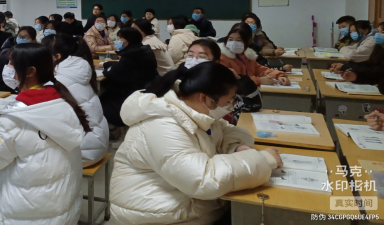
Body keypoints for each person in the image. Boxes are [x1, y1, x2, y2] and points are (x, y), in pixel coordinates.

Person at [109, 62, 281, 224]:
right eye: (228, 102)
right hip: (155, 213)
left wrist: (237, 146)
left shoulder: (195, 111)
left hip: (183, 201)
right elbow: (203, 180)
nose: (230, 107)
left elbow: (227, 130)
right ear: (205, 98)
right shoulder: (162, 125)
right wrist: (264, 160)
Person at [0, 44, 89, 225]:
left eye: (12, 64)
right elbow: (34, 133)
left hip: (28, 209)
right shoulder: (60, 99)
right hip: (62, 202)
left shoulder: (15, 115)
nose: (7, 69)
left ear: (30, 72)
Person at [42, 34, 110, 166]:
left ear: (57, 56)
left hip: (82, 152)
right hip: (96, 144)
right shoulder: (78, 70)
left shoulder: (58, 81)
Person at [181, 39, 263, 123]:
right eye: (190, 55)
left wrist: (240, 80)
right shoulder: (178, 82)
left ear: (216, 62)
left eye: (202, 56)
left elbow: (252, 106)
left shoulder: (223, 83)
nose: (194, 59)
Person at [97, 27, 158, 127]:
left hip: (132, 95)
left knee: (99, 100)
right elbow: (120, 66)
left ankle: (112, 129)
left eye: (120, 38)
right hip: (147, 90)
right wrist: (105, 64)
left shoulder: (131, 55)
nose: (118, 41)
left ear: (129, 40)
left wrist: (106, 68)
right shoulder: (143, 50)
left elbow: (112, 73)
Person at [219, 23, 290, 86]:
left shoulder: (247, 56)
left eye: (238, 40)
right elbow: (232, 80)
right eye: (230, 40)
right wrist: (258, 80)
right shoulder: (222, 58)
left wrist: (279, 76)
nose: (234, 43)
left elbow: (261, 70)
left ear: (246, 43)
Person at [0, 26, 36, 92]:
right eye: (19, 36)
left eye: (25, 37)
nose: (21, 38)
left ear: (33, 40)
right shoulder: (9, 52)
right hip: (6, 88)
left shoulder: (33, 52)